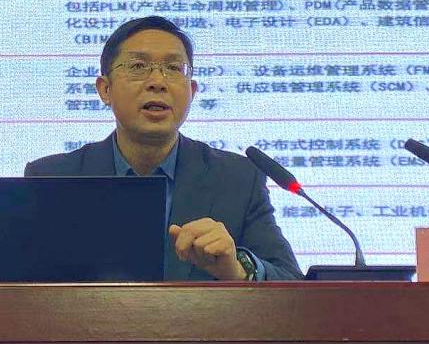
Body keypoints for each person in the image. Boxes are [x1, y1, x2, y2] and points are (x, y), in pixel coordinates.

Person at [25, 16, 303, 281]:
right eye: (138, 66)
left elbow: (292, 283)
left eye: (173, 68)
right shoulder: (51, 178)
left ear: (192, 91)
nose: (157, 82)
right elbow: (19, 286)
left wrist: (238, 269)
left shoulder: (237, 178)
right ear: (105, 89)